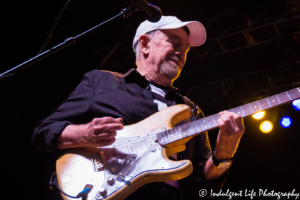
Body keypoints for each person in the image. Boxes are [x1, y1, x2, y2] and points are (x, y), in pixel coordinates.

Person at [32, 16, 244, 200]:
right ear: (144, 44)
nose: (182, 53)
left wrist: (224, 153)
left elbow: (203, 183)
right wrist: (84, 134)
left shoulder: (190, 110)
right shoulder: (102, 82)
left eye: (186, 48)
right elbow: (43, 132)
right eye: (175, 43)